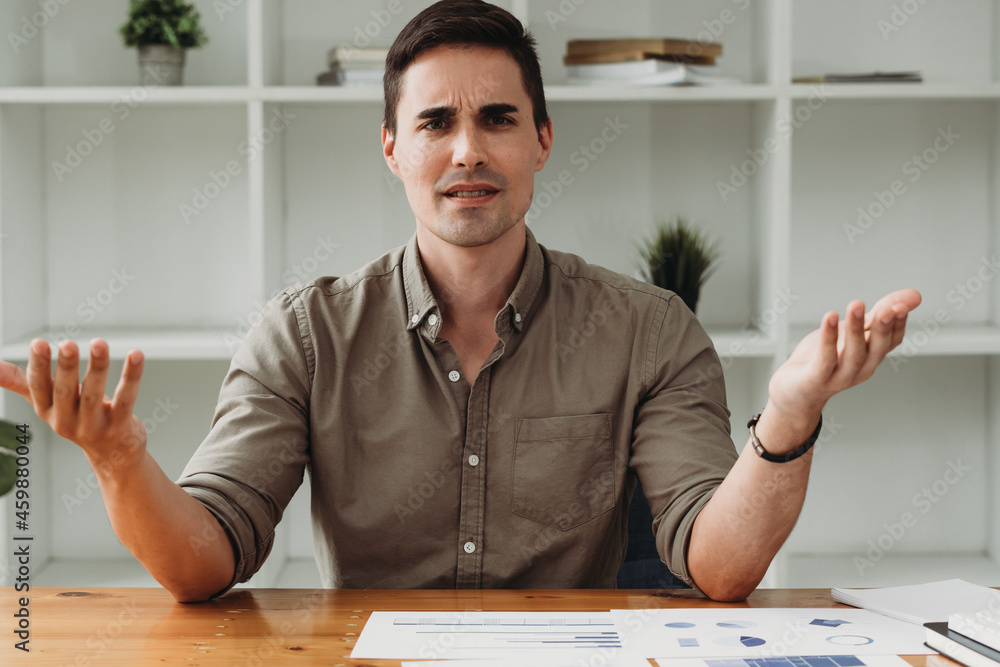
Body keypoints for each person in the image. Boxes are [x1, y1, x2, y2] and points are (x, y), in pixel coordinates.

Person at [0, 0, 921, 603]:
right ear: (393, 148)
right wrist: (121, 460)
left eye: (498, 119)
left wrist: (792, 413)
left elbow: (718, 568)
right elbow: (204, 563)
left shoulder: (650, 330)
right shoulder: (305, 334)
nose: (467, 151)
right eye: (436, 122)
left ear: (544, 140)